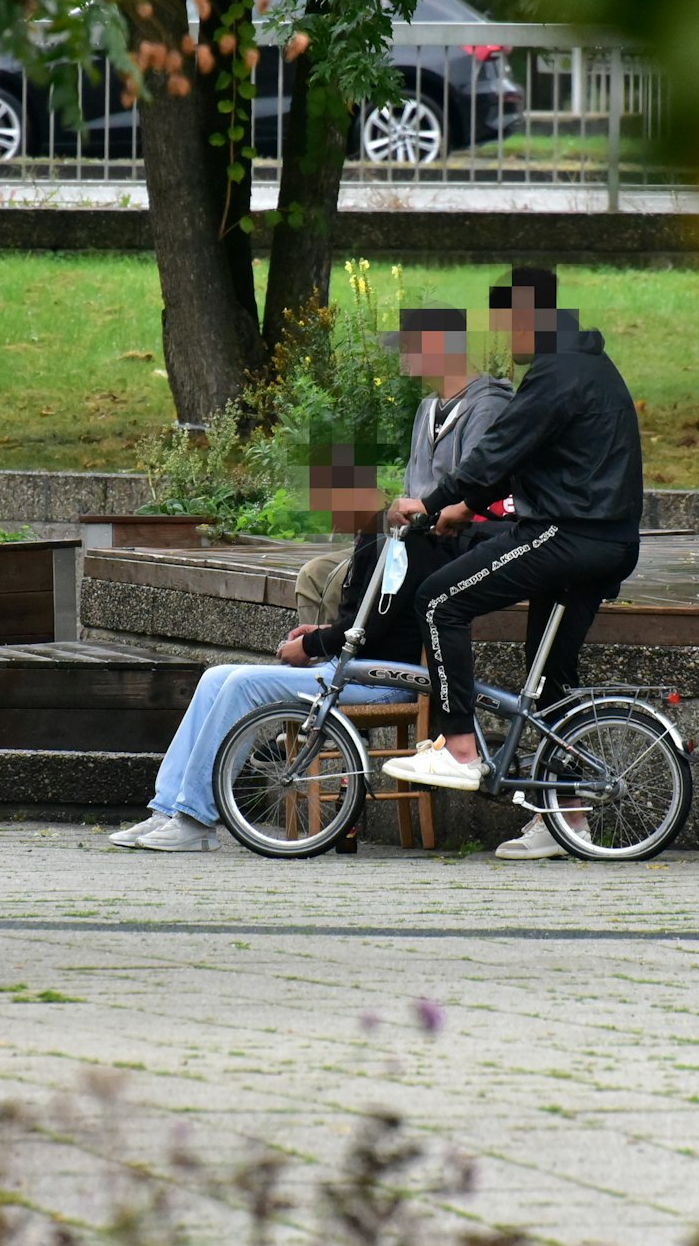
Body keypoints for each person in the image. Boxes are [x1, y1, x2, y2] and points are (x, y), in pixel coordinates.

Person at [384, 267, 644, 858]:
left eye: (507, 324)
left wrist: (430, 503)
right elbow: (517, 458)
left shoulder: (556, 372)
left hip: (566, 533)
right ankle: (566, 819)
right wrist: (464, 508)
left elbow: (498, 450)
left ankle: (457, 746)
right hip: (607, 540)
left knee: (439, 601)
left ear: (529, 317)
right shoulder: (587, 365)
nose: (506, 339)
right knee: (550, 675)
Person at [112, 437, 425, 852]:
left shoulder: (393, 542)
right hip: (350, 668)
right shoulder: (370, 535)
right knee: (215, 677)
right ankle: (167, 808)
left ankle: (195, 818)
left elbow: (376, 627)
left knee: (244, 684)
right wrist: (317, 633)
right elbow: (362, 621)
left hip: (385, 678)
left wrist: (312, 644)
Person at [294, 305, 513, 626]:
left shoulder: (489, 407)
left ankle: (339, 662)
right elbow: (415, 489)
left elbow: (474, 492)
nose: (402, 357)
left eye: (409, 348)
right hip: (411, 538)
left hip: (451, 543)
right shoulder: (427, 407)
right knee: (315, 574)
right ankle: (323, 667)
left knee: (332, 581)